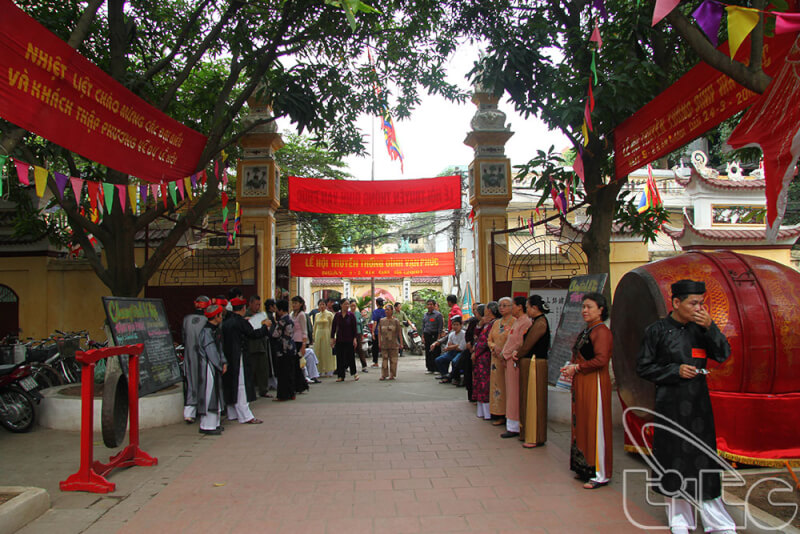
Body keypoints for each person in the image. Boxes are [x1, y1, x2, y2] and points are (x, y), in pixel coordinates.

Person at [637, 279, 735, 533]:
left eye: (701, 303)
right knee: (673, 462)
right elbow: (644, 367)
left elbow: (723, 354)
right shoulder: (656, 331)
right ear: (676, 302)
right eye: (693, 303)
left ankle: (718, 523)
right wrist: (674, 370)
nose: (698, 308)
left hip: (699, 407)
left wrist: (711, 328)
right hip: (669, 406)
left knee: (704, 463)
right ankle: (680, 520)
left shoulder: (701, 328)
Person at [561, 292, 613, 490]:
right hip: (582, 381)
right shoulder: (587, 330)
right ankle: (584, 467)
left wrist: (577, 368)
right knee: (582, 423)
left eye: (589, 307)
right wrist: (571, 367)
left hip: (595, 383)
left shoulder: (602, 332)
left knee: (595, 424)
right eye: (583, 307)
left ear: (601, 309)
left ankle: (599, 473)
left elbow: (601, 360)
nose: (584, 310)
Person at [221, 296, 270, 425]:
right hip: (239, 357)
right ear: (243, 308)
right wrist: (265, 327)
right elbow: (253, 334)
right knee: (241, 385)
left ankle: (233, 413)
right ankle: (245, 415)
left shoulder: (226, 322)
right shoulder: (240, 322)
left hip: (228, 357)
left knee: (231, 383)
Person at [515, 295, 551, 448]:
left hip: (535, 364)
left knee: (533, 400)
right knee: (527, 398)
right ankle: (528, 433)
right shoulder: (537, 322)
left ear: (535, 308)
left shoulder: (540, 323)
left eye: (528, 307)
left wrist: (519, 354)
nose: (527, 309)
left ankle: (534, 435)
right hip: (530, 363)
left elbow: (528, 345)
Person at [500, 296, 532, 439]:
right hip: (507, 359)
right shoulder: (517, 321)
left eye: (511, 306)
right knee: (510, 392)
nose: (510, 308)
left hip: (514, 360)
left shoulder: (525, 322)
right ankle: (512, 423)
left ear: (519, 307)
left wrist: (506, 354)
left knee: (514, 393)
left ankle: (514, 425)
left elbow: (519, 343)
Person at [196, 303, 227, 434]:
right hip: (208, 367)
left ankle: (215, 423)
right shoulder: (207, 332)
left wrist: (223, 362)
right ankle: (207, 426)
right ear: (216, 316)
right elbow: (211, 351)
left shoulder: (215, 329)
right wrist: (220, 364)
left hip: (214, 366)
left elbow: (219, 349)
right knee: (210, 394)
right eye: (220, 314)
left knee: (216, 394)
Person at [182, 295, 210, 424]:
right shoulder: (207, 321)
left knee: (191, 382)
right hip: (204, 356)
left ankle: (189, 413)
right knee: (204, 381)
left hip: (189, 355)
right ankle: (202, 409)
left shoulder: (186, 319)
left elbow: (184, 337)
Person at [487, 297, 515, 426]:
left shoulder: (515, 322)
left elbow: (515, 341)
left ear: (511, 307)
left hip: (507, 359)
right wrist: (494, 347)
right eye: (500, 305)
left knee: (508, 386)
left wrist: (504, 351)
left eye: (505, 305)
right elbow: (490, 339)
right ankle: (497, 413)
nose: (502, 308)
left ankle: (508, 414)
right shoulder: (496, 323)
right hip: (495, 359)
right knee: (497, 386)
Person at [472, 302, 497, 420]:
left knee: (485, 384)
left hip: (485, 357)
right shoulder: (486, 324)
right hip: (480, 357)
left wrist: (476, 353)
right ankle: (482, 411)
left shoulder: (494, 324)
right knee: (480, 383)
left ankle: (488, 412)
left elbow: (485, 342)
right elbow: (477, 336)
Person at [246, 295, 272, 398]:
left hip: (261, 345)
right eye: (256, 304)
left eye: (259, 304)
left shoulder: (262, 316)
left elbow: (268, 328)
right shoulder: (246, 315)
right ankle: (250, 392)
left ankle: (263, 390)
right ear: (250, 304)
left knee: (263, 370)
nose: (258, 306)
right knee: (251, 371)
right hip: (250, 346)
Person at [270, 299, 296, 401]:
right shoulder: (290, 319)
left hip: (283, 349)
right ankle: (291, 393)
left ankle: (283, 395)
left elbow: (275, 334)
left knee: (283, 373)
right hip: (291, 347)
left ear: (281, 310)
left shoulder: (282, 321)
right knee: (290, 372)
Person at [453, 302, 481, 393]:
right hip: (470, 348)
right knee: (462, 363)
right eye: (473, 309)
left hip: (479, 349)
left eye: (476, 309)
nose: (475, 311)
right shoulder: (472, 321)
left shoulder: (485, 322)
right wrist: (469, 343)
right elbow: (468, 335)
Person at [330, 301, 359, 381]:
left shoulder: (351, 316)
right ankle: (341, 375)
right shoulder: (337, 315)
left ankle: (354, 373)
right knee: (340, 357)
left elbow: (354, 328)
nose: (347, 306)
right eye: (345, 304)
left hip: (349, 339)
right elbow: (333, 327)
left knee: (350, 357)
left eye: (347, 304)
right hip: (340, 339)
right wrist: (332, 338)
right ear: (341, 305)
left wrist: (355, 339)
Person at [432, 316, 466, 382]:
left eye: (457, 325)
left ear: (461, 325)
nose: (455, 326)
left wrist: (453, 346)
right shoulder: (451, 334)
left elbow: (461, 348)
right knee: (439, 360)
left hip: (460, 353)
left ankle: (454, 377)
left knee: (455, 361)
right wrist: (455, 346)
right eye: (454, 325)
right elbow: (447, 347)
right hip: (452, 352)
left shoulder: (464, 334)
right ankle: (445, 375)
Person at [378, 304, 403, 380]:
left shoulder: (396, 321)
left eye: (388, 309)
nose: (386, 311)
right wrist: (379, 342)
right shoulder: (382, 321)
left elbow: (399, 333)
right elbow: (379, 332)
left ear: (392, 311)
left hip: (394, 343)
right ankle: (384, 374)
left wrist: (401, 343)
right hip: (384, 343)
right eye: (385, 310)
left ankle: (392, 374)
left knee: (393, 360)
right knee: (384, 359)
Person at [290, 296, 310, 393]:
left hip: (299, 341)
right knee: (294, 365)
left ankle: (301, 385)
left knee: (297, 364)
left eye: (296, 303)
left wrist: (303, 345)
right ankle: (299, 385)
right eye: (293, 303)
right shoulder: (291, 315)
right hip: (292, 340)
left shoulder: (302, 315)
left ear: (301, 304)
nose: (294, 305)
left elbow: (304, 330)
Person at [313, 299, 335, 377]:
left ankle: (328, 369)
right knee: (318, 352)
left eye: (323, 304)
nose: (322, 306)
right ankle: (319, 369)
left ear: (326, 306)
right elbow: (315, 326)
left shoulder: (330, 314)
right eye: (320, 305)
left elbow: (333, 326)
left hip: (327, 333)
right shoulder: (317, 315)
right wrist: (314, 336)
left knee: (327, 351)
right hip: (318, 334)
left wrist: (333, 337)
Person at [422, 299, 444, 374]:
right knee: (428, 352)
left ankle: (436, 368)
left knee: (436, 352)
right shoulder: (425, 315)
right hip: (427, 334)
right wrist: (423, 336)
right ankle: (429, 368)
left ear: (434, 306)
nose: (429, 306)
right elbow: (423, 326)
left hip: (435, 335)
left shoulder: (438, 315)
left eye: (431, 304)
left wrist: (439, 337)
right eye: (428, 304)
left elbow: (440, 327)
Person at [350, 299, 369, 373]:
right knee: (350, 351)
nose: (353, 307)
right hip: (350, 334)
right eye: (352, 306)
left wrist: (362, 334)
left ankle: (364, 366)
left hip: (358, 333)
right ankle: (349, 367)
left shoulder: (358, 314)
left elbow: (361, 324)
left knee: (360, 350)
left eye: (354, 306)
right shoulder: (348, 314)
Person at [370, 297, 386, 367]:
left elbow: (375, 323)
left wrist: (373, 332)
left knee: (375, 347)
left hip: (377, 332)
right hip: (385, 331)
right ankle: (385, 361)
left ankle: (376, 362)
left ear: (376, 303)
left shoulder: (375, 312)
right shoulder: (386, 311)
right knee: (385, 347)